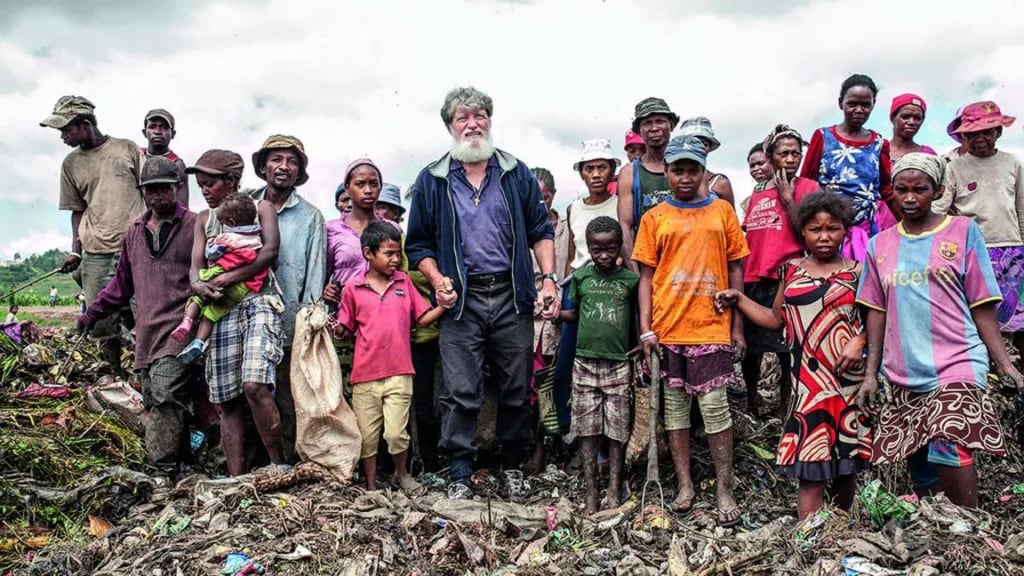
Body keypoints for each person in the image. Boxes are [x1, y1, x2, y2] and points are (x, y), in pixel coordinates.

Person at [405, 86, 559, 499]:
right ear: (450, 126)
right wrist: (438, 280)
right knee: (460, 390)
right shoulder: (433, 179)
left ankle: (512, 466)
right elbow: (417, 244)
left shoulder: (515, 172)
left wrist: (547, 279)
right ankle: (459, 473)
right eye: (463, 118)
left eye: (479, 116)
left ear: (490, 121)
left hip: (512, 295)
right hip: (461, 301)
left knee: (515, 385)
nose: (472, 124)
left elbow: (541, 230)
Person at [856, 153, 1023, 507]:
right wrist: (871, 374)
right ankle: (934, 521)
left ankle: (966, 521)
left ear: (938, 190)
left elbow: (982, 301)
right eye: (902, 190)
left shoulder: (963, 232)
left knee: (950, 437)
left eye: (920, 189)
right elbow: (876, 310)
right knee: (918, 451)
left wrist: (1003, 362)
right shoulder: (880, 245)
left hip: (958, 358)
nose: (911, 198)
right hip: (903, 367)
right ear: (892, 192)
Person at [716, 192, 869, 520]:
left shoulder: (858, 272)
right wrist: (739, 299)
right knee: (810, 467)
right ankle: (809, 536)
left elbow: (879, 321)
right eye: (816, 229)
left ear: (845, 230)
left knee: (846, 463)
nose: (824, 236)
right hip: (807, 385)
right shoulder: (792, 271)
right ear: (803, 232)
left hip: (846, 380)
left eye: (833, 228)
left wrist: (861, 339)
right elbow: (775, 319)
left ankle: (841, 527)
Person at [633, 135, 747, 526]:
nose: (684, 177)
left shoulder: (722, 213)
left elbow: (736, 268)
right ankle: (685, 485)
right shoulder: (655, 218)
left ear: (703, 171)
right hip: (668, 329)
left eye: (691, 170)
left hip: (712, 325)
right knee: (676, 412)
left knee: (716, 410)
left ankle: (724, 487)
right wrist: (646, 328)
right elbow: (646, 278)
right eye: (677, 169)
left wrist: (738, 325)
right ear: (666, 172)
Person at [78, 156, 198, 478]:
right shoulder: (133, 232)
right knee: (156, 398)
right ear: (142, 191)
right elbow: (120, 285)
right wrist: (92, 313)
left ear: (177, 188)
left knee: (165, 395)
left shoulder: (195, 226)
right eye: (151, 190)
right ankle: (183, 466)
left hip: (180, 330)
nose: (157, 196)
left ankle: (159, 473)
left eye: (164, 189)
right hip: (147, 333)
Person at [186, 149, 285, 476]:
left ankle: (277, 464)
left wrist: (228, 276)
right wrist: (199, 286)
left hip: (258, 302)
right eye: (200, 184)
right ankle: (236, 477)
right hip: (221, 310)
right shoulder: (204, 219)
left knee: (255, 384)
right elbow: (195, 268)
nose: (204, 189)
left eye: (210, 183)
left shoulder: (261, 208)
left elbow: (269, 251)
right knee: (226, 398)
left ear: (231, 181)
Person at [335, 222, 450, 495]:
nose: (396, 259)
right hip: (364, 375)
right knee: (367, 437)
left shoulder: (403, 282)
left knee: (397, 433)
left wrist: (443, 307)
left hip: (400, 371)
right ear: (368, 253)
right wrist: (336, 328)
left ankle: (401, 474)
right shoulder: (353, 288)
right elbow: (345, 329)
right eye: (389, 253)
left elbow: (421, 318)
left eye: (398, 253)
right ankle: (372, 484)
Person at [43, 95, 143, 368]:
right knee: (101, 321)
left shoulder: (126, 149)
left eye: (67, 129)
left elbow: (151, 190)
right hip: (96, 250)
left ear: (85, 123)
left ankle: (143, 375)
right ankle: (112, 373)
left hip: (136, 248)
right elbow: (77, 210)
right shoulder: (71, 163)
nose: (63, 136)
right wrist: (76, 251)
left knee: (143, 313)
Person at [250, 135, 327, 464]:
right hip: (245, 316)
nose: (283, 167)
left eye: (292, 161)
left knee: (286, 394)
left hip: (288, 321)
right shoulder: (243, 205)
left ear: (299, 172)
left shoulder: (310, 217)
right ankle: (252, 462)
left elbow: (314, 273)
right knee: (249, 391)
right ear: (263, 166)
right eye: (277, 159)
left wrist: (308, 323)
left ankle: (287, 462)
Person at [931, 101, 1024, 360]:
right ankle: (985, 362)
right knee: (979, 309)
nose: (981, 138)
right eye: (972, 134)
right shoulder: (954, 168)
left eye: (988, 131)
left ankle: (1012, 364)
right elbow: (940, 208)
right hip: (972, 249)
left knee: (1014, 314)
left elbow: (1021, 208)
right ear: (963, 136)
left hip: (1011, 248)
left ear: (998, 132)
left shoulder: (1013, 164)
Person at [740, 125, 821, 418]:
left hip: (787, 277)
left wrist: (788, 199)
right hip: (754, 276)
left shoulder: (808, 188)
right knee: (752, 348)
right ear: (771, 156)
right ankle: (751, 405)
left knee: (787, 348)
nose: (790, 159)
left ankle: (787, 408)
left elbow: (812, 232)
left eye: (795, 153)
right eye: (783, 153)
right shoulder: (758, 191)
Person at [559, 216, 638, 514]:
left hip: (618, 364)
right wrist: (555, 314)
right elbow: (576, 314)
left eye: (610, 249)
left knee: (617, 430)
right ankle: (591, 491)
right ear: (588, 249)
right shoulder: (581, 278)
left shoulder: (630, 280)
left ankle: (614, 488)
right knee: (587, 429)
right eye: (597, 250)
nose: (604, 256)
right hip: (585, 363)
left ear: (619, 247)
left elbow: (636, 318)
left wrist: (638, 344)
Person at [552, 139, 621, 432]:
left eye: (602, 167)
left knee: (607, 358)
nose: (595, 174)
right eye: (589, 168)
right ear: (581, 172)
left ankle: (608, 429)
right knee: (568, 355)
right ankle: (565, 426)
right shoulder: (574, 209)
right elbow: (572, 257)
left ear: (611, 171)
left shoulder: (621, 204)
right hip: (579, 286)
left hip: (612, 286)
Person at [802, 74, 894, 261]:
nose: (859, 110)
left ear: (873, 105)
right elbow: (807, 183)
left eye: (865, 105)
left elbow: (885, 189)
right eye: (852, 104)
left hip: (865, 229)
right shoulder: (823, 137)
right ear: (840, 103)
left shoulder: (878, 143)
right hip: (828, 228)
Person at [174, 194, 268, 363]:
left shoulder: (228, 238)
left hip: (220, 272)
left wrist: (213, 246)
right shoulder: (255, 237)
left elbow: (211, 253)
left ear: (230, 223)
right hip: (244, 286)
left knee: (198, 296)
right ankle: (198, 342)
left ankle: (187, 320)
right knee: (211, 315)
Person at [617, 97, 679, 271]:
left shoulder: (688, 166)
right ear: (639, 130)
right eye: (647, 123)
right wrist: (637, 276)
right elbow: (625, 228)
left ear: (671, 125)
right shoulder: (629, 173)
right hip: (648, 266)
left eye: (660, 121)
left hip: (684, 261)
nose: (654, 128)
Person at [676, 116, 735, 207]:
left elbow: (731, 218)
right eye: (694, 142)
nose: (699, 147)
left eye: (704, 144)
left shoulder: (719, 182)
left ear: (709, 148)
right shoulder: (672, 179)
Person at [141, 109, 189, 207]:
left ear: (173, 134)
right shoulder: (135, 156)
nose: (158, 131)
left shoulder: (177, 165)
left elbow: (182, 207)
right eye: (152, 126)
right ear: (144, 132)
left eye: (164, 127)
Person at [889, 94, 936, 163]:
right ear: (893, 118)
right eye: (905, 116)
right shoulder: (877, 151)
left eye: (917, 118)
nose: (912, 122)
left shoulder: (928, 155)